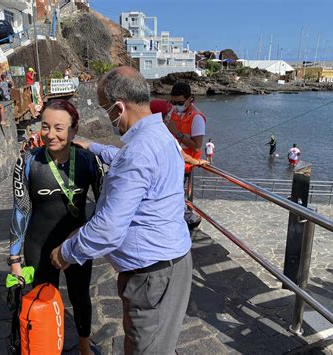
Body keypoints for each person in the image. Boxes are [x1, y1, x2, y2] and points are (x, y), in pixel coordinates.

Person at [50, 66, 192, 355]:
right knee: (161, 345)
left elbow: (108, 230)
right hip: (173, 261)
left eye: (106, 110)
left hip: (150, 274)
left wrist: (66, 252)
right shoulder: (162, 137)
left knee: (145, 349)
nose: (108, 117)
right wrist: (96, 146)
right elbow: (132, 164)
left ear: (118, 107)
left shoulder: (139, 151)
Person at [9, 99, 103, 355]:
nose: (51, 135)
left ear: (74, 130)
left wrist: (84, 236)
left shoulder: (89, 161)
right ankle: (45, 347)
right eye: (45, 127)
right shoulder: (27, 162)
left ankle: (84, 345)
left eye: (59, 128)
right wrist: (14, 259)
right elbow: (21, 209)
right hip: (38, 245)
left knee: (80, 296)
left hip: (77, 245)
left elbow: (104, 206)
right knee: (41, 302)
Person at [150, 98, 209, 166]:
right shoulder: (164, 134)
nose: (170, 115)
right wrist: (197, 162)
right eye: (168, 113)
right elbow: (185, 157)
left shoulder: (146, 130)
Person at [168, 82, 206, 174]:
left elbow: (196, 147)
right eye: (174, 102)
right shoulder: (173, 111)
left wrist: (177, 133)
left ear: (189, 99)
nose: (176, 105)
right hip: (170, 163)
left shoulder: (197, 118)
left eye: (180, 103)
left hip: (184, 167)